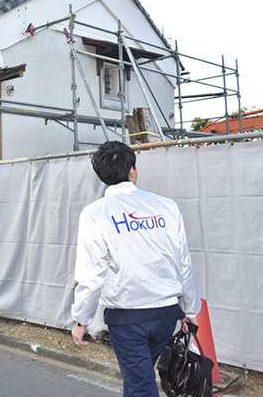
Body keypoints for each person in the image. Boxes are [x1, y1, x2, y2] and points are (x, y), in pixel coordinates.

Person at [71, 141, 201, 397]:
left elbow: (91, 273)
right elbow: (183, 262)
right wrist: (190, 309)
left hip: (128, 318)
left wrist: (81, 319)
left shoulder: (95, 213)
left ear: (102, 176)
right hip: (166, 316)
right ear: (133, 170)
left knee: (141, 385)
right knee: (137, 379)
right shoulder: (166, 207)